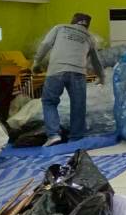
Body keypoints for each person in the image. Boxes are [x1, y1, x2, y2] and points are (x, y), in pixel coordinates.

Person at [33, 12, 105, 146]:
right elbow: (96, 60)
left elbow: (46, 44)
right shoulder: (89, 37)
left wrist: (36, 62)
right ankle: (76, 138)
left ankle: (53, 135)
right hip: (78, 72)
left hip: (56, 70)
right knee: (78, 105)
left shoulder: (60, 28)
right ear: (87, 25)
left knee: (49, 102)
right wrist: (102, 77)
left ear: (73, 21)